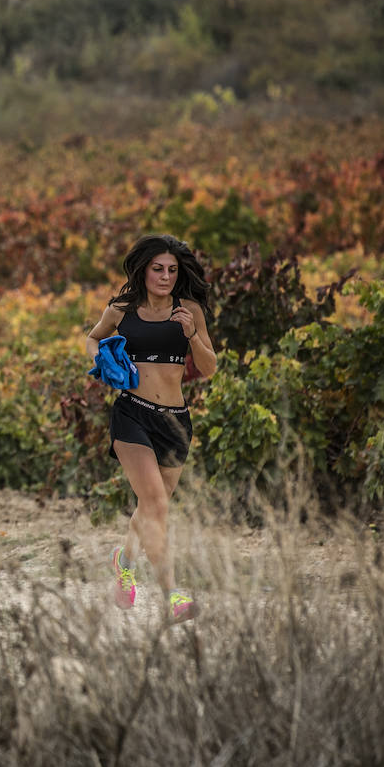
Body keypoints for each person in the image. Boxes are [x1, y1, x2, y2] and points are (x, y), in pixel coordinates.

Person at [85, 234, 217, 624]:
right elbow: (93, 337)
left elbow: (209, 368)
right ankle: (172, 595)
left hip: (175, 423)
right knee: (156, 504)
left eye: (172, 270)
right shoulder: (122, 308)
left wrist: (192, 333)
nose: (165, 276)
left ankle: (123, 562)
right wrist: (99, 360)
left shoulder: (189, 309)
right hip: (133, 415)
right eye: (158, 269)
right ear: (143, 271)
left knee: (151, 508)